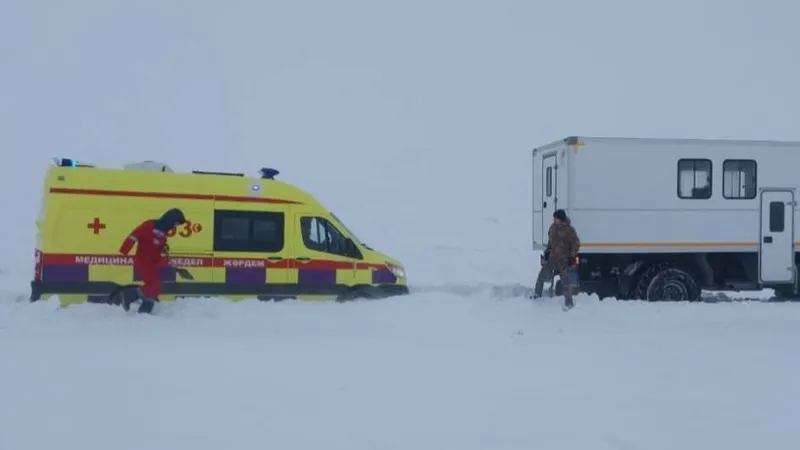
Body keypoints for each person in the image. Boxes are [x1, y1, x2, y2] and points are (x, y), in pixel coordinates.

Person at [118, 208, 186, 313]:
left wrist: (164, 248)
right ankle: (132, 299)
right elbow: (134, 235)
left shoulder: (163, 233)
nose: (175, 226)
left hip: (153, 262)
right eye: (175, 223)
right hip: (143, 261)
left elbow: (156, 245)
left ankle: (143, 309)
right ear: (170, 220)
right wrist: (124, 251)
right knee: (153, 285)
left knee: (156, 287)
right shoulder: (149, 225)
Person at [533, 209, 581, 309]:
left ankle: (569, 302)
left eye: (556, 218)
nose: (554, 220)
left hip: (564, 260)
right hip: (552, 258)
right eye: (554, 218)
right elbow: (550, 242)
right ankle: (537, 295)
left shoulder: (569, 230)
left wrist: (572, 256)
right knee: (542, 275)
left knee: (566, 281)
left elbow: (576, 244)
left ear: (561, 219)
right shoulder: (552, 228)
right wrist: (547, 252)